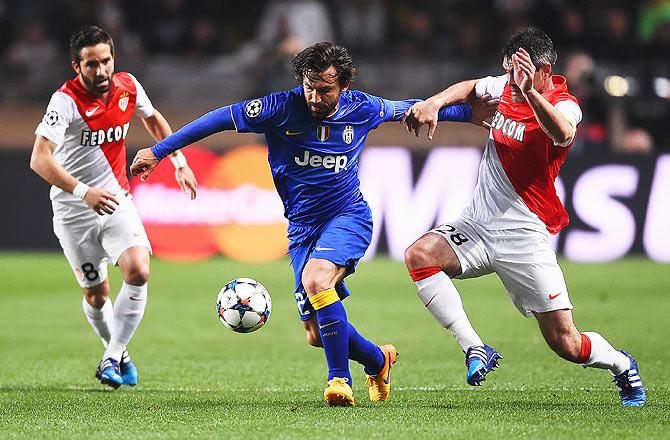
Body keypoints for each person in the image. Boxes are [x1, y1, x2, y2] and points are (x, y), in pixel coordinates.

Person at [131, 42, 495, 406]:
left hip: (348, 216)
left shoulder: (363, 107)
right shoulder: (278, 108)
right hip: (302, 227)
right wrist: (159, 152)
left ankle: (339, 380)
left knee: (317, 280)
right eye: (310, 86)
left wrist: (469, 114)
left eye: (325, 89)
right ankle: (377, 359)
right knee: (316, 333)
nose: (315, 96)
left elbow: (414, 111)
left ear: (343, 88)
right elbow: (217, 119)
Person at [402, 26, 646, 407]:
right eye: (507, 73)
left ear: (543, 71)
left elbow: (563, 132)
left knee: (566, 342)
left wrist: (529, 92)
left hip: (524, 236)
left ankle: (620, 363)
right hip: (477, 226)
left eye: (519, 77)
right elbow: (470, 86)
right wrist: (434, 103)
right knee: (419, 256)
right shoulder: (506, 84)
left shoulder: (565, 104)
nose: (508, 85)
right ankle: (476, 348)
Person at [30, 26, 198, 389]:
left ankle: (111, 355)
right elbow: (39, 160)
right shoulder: (65, 101)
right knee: (97, 294)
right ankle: (118, 353)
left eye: (106, 61)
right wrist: (83, 191)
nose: (101, 70)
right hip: (74, 210)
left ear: (113, 59)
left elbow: (152, 119)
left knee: (138, 269)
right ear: (77, 66)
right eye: (92, 64)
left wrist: (179, 160)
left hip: (117, 199)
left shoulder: (128, 86)